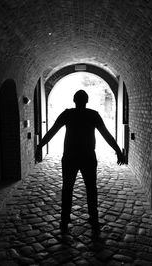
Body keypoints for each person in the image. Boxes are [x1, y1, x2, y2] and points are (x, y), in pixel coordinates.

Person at [40, 90, 125, 233]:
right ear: (87, 100)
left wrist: (39, 147)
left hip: (70, 157)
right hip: (88, 157)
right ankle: (94, 217)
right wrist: (118, 150)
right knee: (91, 188)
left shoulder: (67, 114)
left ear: (74, 100)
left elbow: (52, 131)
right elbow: (106, 135)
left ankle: (65, 218)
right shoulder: (93, 115)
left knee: (67, 188)